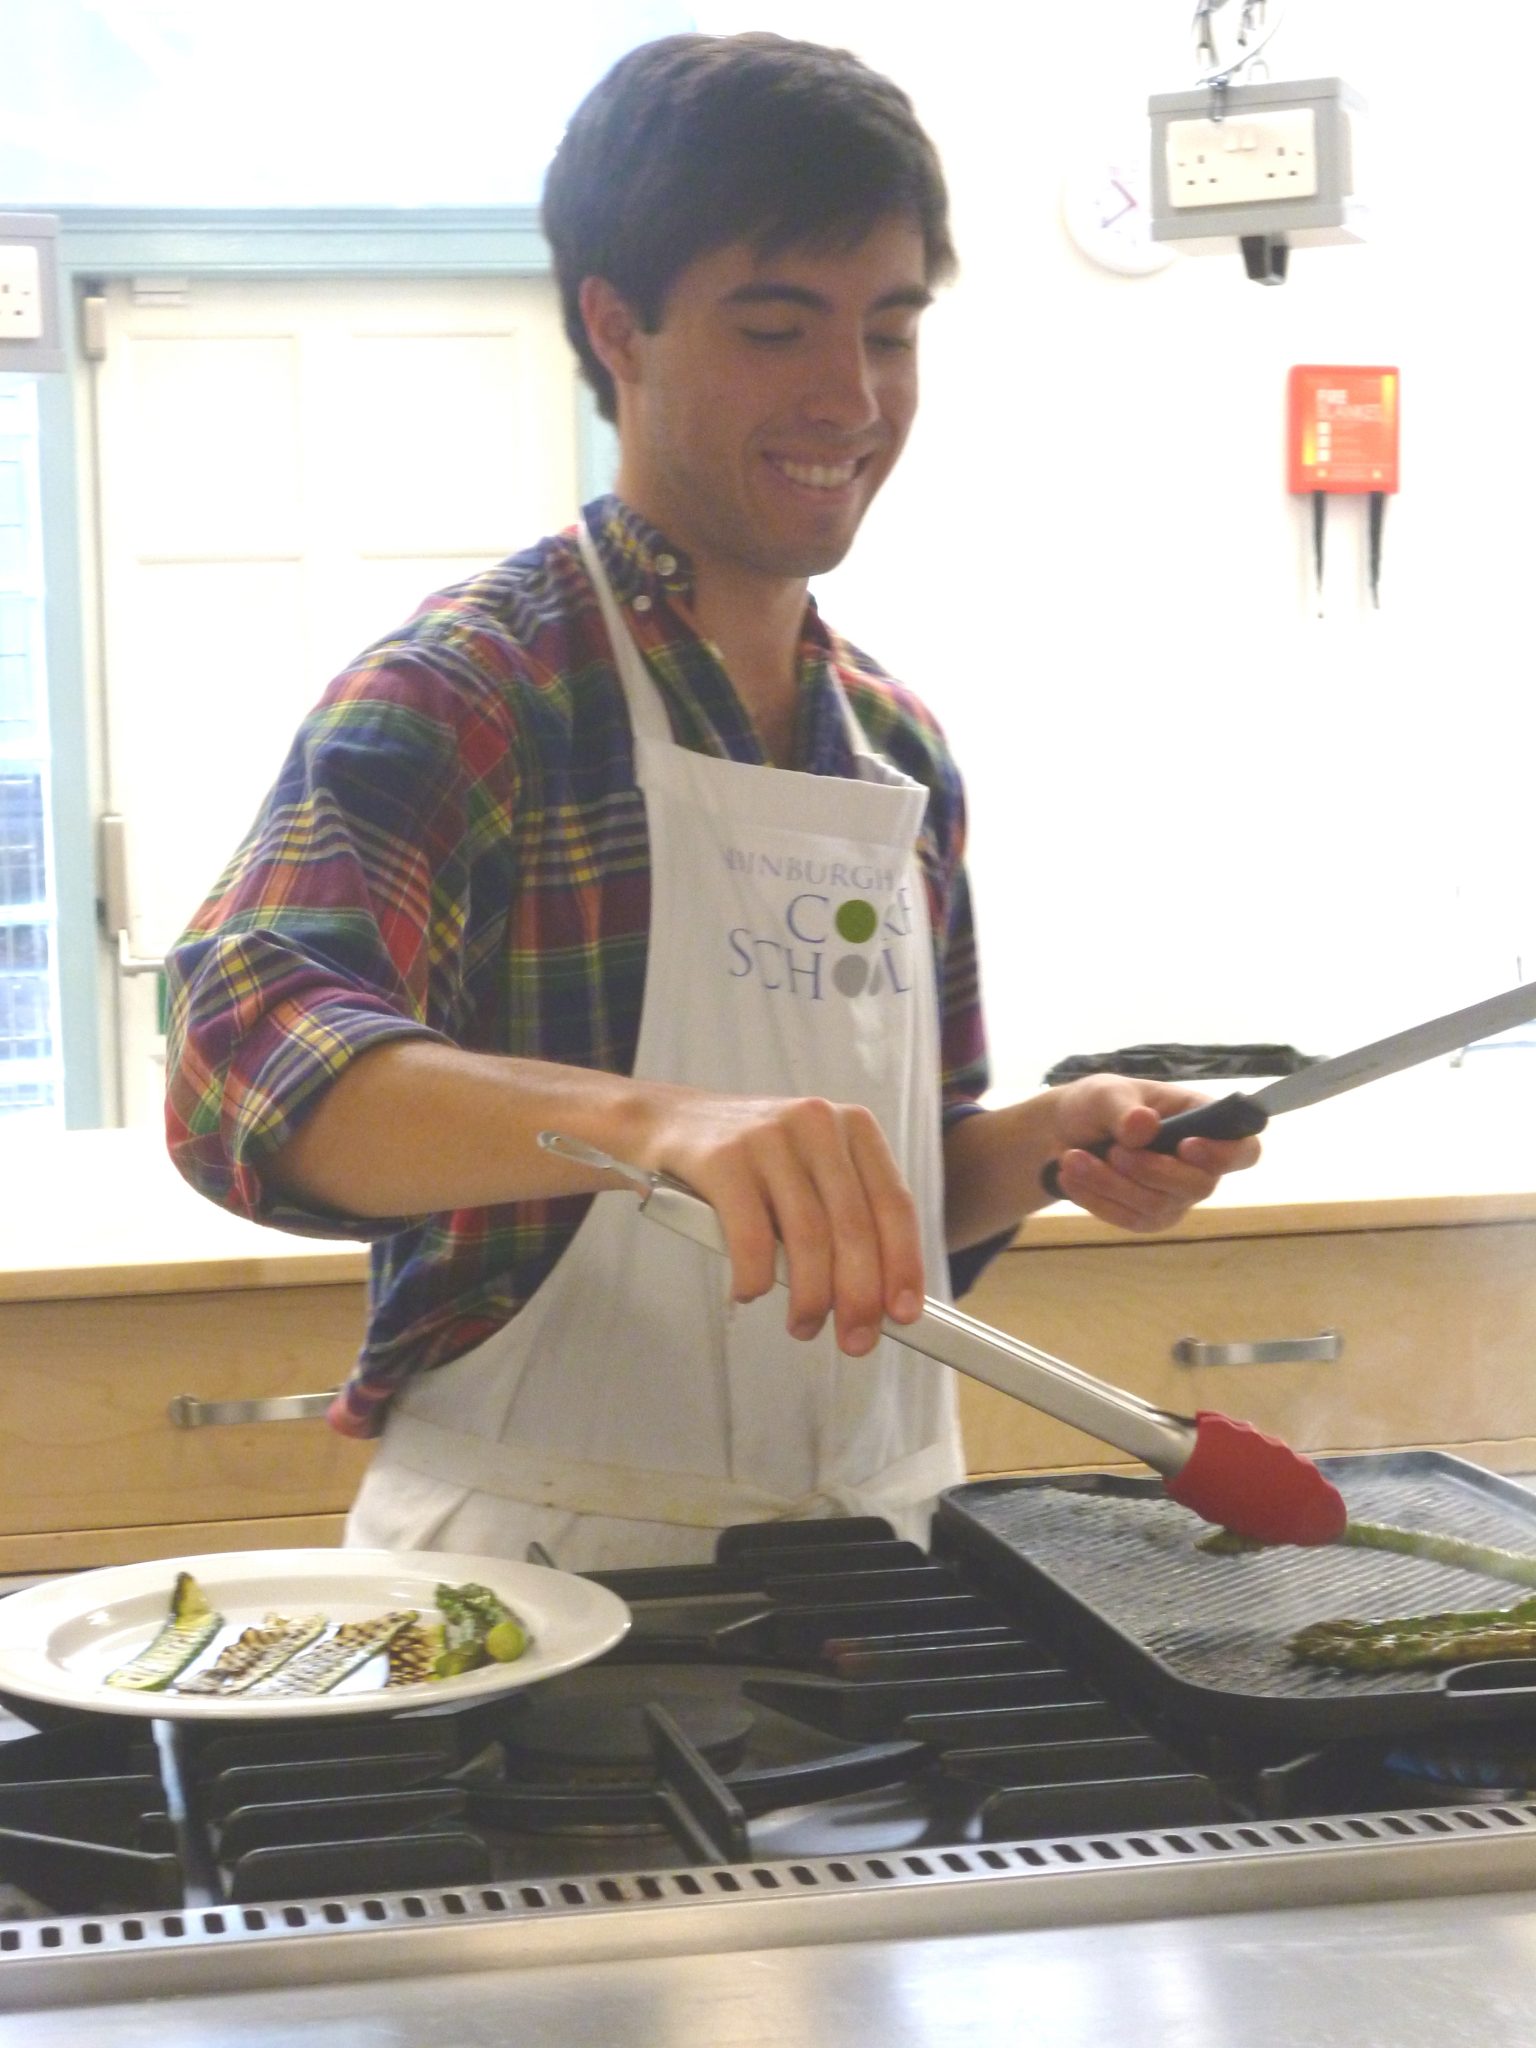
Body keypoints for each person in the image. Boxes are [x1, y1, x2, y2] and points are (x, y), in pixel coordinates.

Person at [163, 31, 1259, 1571]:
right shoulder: (479, 695)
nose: (851, 396)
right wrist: (648, 1124)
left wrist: (1057, 1142)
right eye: (775, 327)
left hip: (877, 1567)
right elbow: (239, 1060)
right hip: (537, 1571)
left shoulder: (894, 750)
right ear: (621, 327)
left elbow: (884, 1198)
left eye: (891, 330)